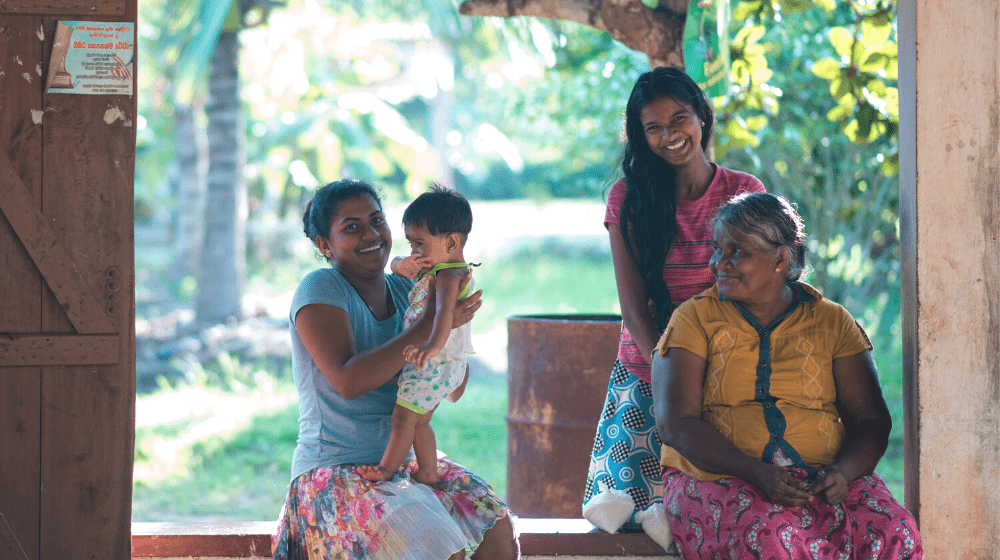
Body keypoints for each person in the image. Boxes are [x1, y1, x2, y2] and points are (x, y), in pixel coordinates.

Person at [651, 192, 922, 558]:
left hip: (823, 478)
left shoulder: (831, 321)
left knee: (895, 531)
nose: (719, 263)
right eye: (717, 249)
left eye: (738, 252)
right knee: (770, 535)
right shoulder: (694, 319)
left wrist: (842, 472)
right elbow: (675, 423)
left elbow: (870, 420)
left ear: (780, 259)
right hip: (719, 477)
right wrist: (755, 472)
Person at [271, 179, 518, 560]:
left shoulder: (411, 290)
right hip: (334, 471)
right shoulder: (320, 288)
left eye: (377, 220)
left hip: (404, 464)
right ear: (324, 245)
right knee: (437, 544)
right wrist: (434, 325)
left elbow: (451, 390)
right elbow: (348, 380)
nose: (372, 234)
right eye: (351, 227)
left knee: (498, 532)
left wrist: (452, 339)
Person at [583, 66, 765, 531]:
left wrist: (710, 380)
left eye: (679, 119)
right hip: (649, 371)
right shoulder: (626, 199)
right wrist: (674, 383)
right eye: (653, 128)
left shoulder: (745, 193)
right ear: (640, 136)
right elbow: (633, 312)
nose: (669, 136)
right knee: (617, 514)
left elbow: (760, 294)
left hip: (730, 373)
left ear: (702, 117)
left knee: (720, 514)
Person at [358, 185, 477, 485]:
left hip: (433, 360)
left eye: (419, 244)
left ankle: (385, 470)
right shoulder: (440, 267)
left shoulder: (448, 275)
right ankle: (427, 471)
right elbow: (397, 267)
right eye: (411, 244)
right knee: (420, 422)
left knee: (403, 419)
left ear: (450, 242)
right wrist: (403, 263)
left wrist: (429, 347)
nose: (414, 252)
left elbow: (444, 314)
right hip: (444, 363)